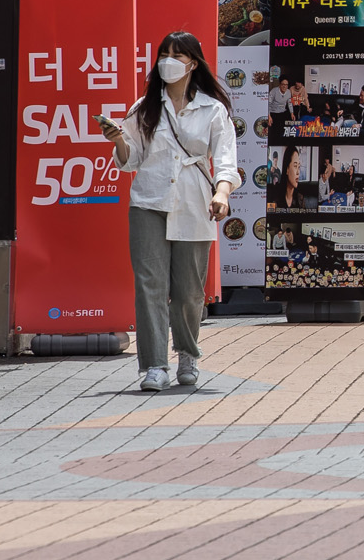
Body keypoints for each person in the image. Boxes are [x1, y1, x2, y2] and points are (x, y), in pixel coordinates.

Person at [99, 31, 241, 392]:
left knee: (189, 290)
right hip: (148, 201)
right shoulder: (143, 107)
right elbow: (131, 160)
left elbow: (226, 162)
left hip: (196, 202)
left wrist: (222, 194)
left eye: (177, 55)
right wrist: (117, 137)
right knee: (150, 286)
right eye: (164, 54)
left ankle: (188, 353)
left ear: (193, 62)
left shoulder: (213, 109)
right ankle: (154, 366)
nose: (168, 61)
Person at [275, 144, 333, 209]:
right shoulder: (276, 198)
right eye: (295, 166)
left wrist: (329, 196)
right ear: (287, 169)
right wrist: (329, 194)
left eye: (299, 167)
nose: (298, 172)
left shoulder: (300, 198)